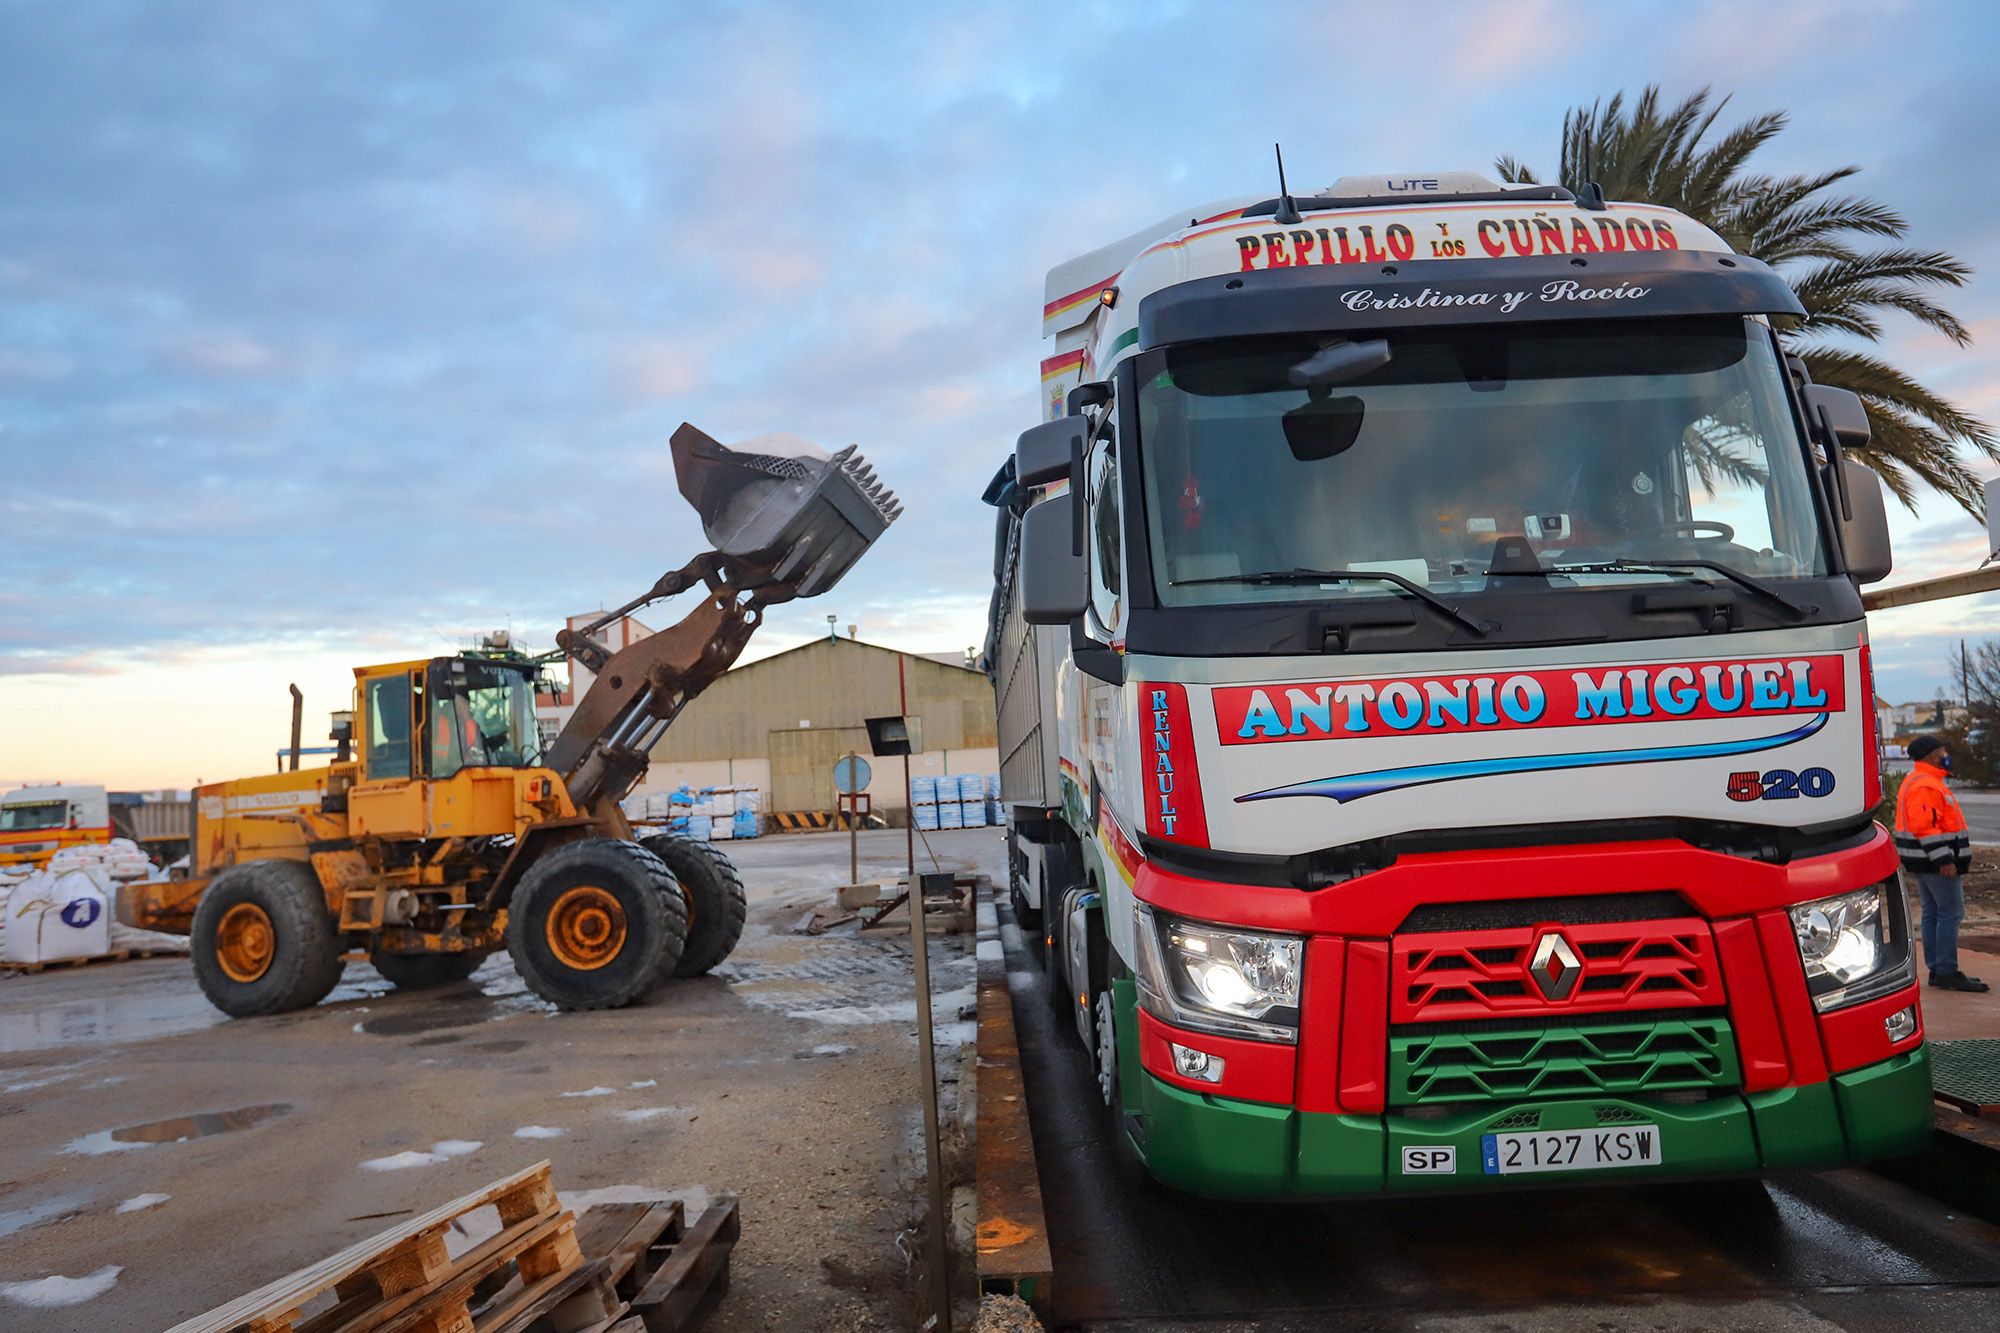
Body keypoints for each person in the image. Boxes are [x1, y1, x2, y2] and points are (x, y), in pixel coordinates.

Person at [1894, 734, 1988, 993]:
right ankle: (1945, 970)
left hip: (1923, 862)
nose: (1946, 754)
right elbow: (1924, 827)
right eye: (1943, 750)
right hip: (1934, 863)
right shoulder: (1926, 785)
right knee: (1950, 912)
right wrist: (1944, 859)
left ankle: (1939, 968)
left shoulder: (1923, 781)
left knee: (1934, 912)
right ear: (1932, 755)